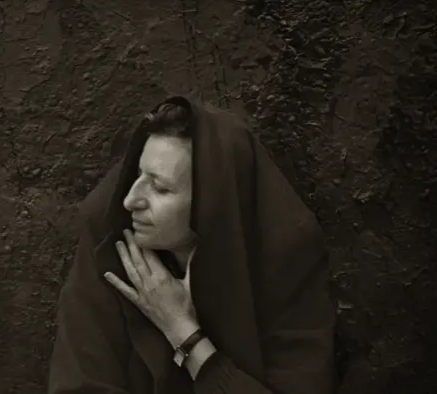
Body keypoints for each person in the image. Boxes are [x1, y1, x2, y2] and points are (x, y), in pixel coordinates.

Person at [48, 95, 336, 394]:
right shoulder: (112, 247)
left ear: (210, 203)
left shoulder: (287, 261)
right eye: (138, 175)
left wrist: (184, 333)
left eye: (160, 188)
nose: (131, 199)